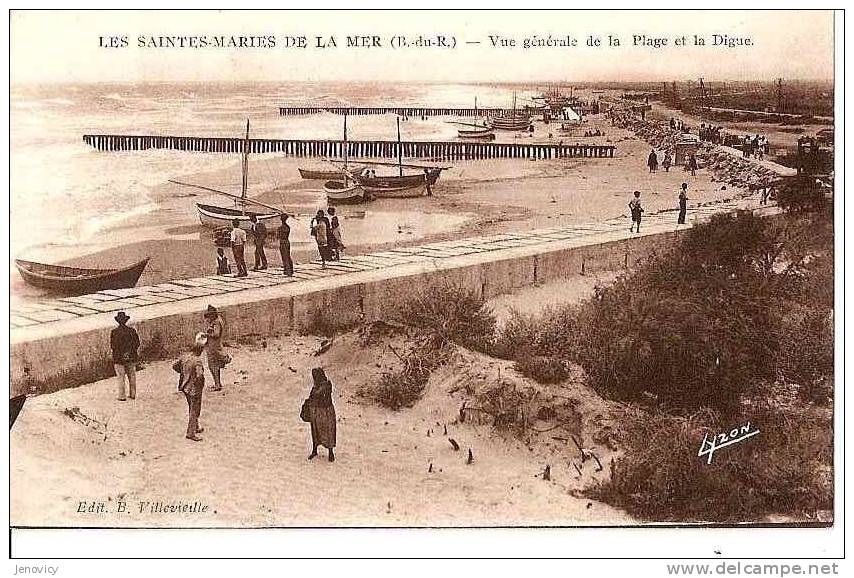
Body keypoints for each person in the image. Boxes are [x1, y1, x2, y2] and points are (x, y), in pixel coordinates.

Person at [173, 334, 207, 442]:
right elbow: (200, 376)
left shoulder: (185, 357)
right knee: (195, 410)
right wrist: (199, 386)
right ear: (200, 351)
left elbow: (174, 366)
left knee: (191, 407)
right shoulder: (197, 361)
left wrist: (183, 373)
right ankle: (190, 433)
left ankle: (196, 427)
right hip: (194, 388)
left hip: (184, 386)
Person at [303, 367, 337, 462]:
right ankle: (315, 449)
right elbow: (312, 396)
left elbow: (317, 395)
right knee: (315, 431)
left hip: (326, 412)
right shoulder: (317, 386)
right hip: (316, 412)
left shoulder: (326, 385)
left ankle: (330, 452)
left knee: (328, 431)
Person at [110, 311, 140, 401]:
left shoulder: (114, 332)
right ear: (126, 321)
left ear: (118, 321)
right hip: (131, 357)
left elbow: (113, 346)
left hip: (119, 359)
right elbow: (137, 343)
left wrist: (123, 354)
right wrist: (128, 353)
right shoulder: (132, 331)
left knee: (121, 377)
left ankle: (122, 396)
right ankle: (133, 394)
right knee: (132, 376)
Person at [204, 305, 227, 391]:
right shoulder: (219, 320)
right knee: (215, 366)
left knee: (213, 366)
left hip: (214, 347)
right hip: (216, 345)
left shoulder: (216, 322)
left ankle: (217, 384)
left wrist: (207, 335)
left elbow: (216, 334)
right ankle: (218, 383)